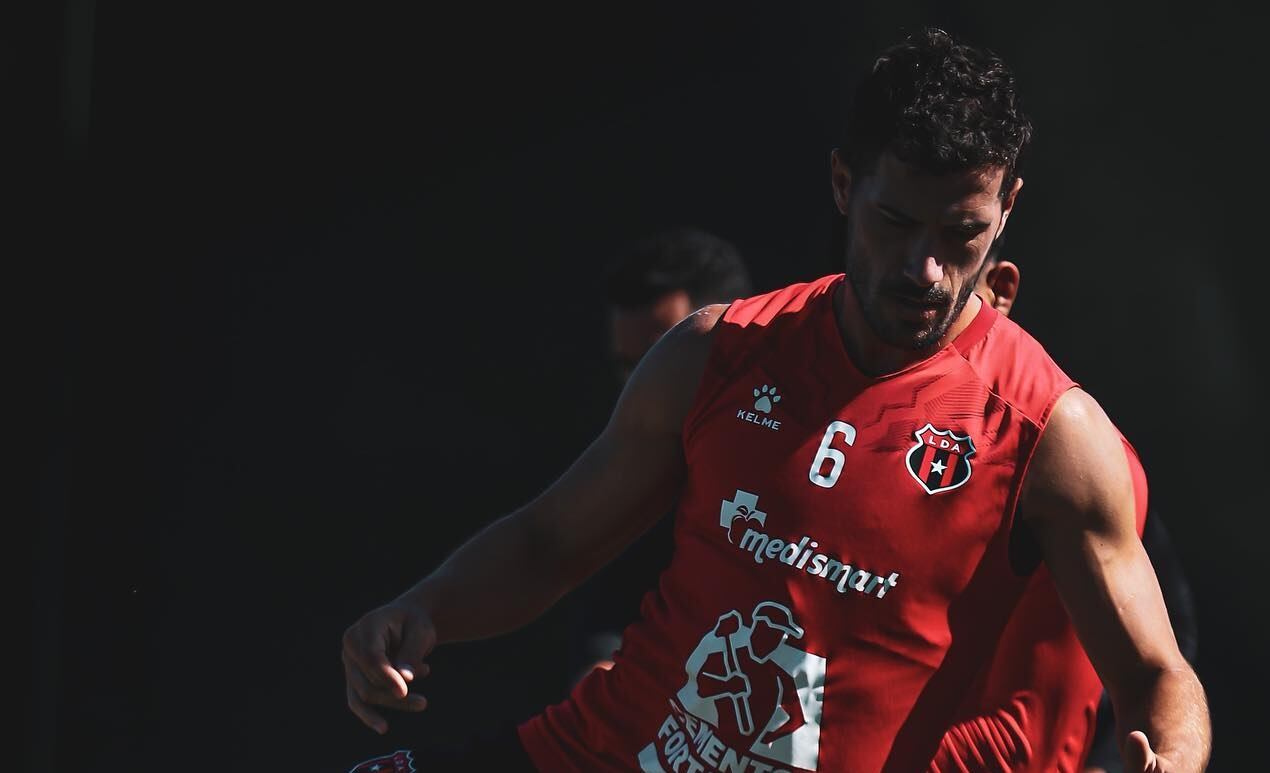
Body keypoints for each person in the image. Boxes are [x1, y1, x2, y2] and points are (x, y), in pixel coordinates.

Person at [341, 28, 1211, 772]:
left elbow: (1158, 676)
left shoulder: (1050, 434)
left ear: (1008, 209)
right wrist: (426, 607)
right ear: (842, 184)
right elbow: (549, 542)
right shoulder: (717, 352)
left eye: (961, 233)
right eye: (896, 222)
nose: (926, 269)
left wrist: (1169, 757)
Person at [927, 242, 1201, 772]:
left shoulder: (1065, 460)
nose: (919, 280)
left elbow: (1032, 736)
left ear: (999, 292)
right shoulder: (840, 426)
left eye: (955, 278)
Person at [571, 227, 754, 683]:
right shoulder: (639, 470)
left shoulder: (817, 448)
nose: (643, 385)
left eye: (659, 358)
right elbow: (612, 606)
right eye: (628, 367)